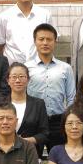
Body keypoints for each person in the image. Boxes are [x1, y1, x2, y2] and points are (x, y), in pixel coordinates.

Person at [27, 23, 76, 152]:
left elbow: (71, 97)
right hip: (34, 121)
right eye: (41, 39)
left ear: (55, 42)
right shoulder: (26, 67)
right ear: (35, 41)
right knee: (32, 159)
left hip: (58, 121)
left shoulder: (65, 68)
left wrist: (68, 118)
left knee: (60, 158)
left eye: (49, 39)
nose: (45, 43)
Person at [0, 64, 49, 153]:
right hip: (0, 152)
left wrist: (25, 141)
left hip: (28, 151)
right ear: (8, 80)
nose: (18, 80)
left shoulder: (38, 104)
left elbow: (44, 133)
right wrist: (4, 141)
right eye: (14, 77)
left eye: (22, 77)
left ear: (28, 80)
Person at [0, 0, 52, 65]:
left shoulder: (45, 15)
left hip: (39, 68)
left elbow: (51, 42)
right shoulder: (4, 17)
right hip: (12, 69)